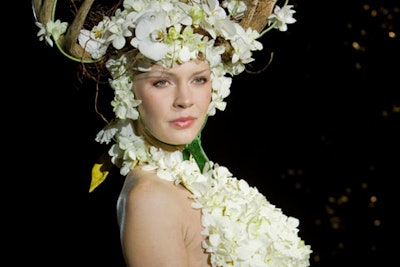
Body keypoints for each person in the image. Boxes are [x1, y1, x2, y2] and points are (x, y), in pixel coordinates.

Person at [33, 0, 312, 266]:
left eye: (199, 79)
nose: (185, 100)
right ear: (127, 91)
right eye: (162, 82)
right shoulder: (150, 198)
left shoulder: (195, 177)